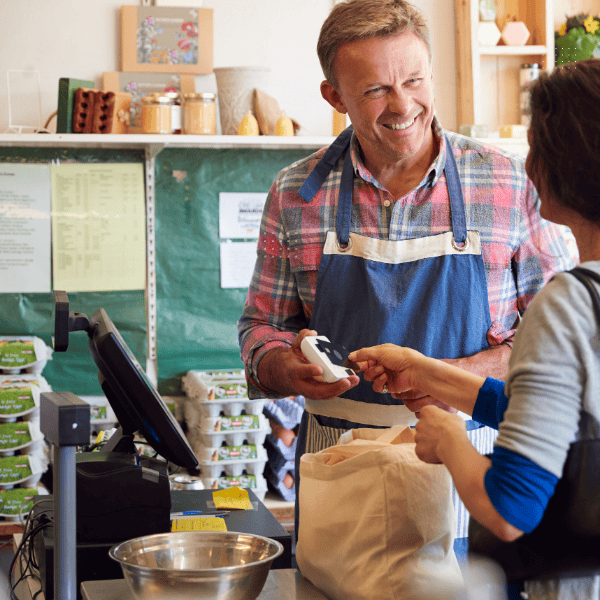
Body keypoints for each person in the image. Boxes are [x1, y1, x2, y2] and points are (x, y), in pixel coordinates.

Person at [237, 0, 576, 554]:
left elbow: (553, 345)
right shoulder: (296, 194)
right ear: (335, 97)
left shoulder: (508, 183)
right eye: (375, 91)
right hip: (340, 473)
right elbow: (261, 326)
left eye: (414, 80)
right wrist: (284, 366)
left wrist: (446, 378)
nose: (403, 106)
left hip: (474, 470)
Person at [349, 58, 600, 600]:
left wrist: (449, 439)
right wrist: (429, 373)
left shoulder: (568, 305)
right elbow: (568, 423)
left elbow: (510, 510)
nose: (528, 163)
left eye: (536, 146)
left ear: (559, 167)